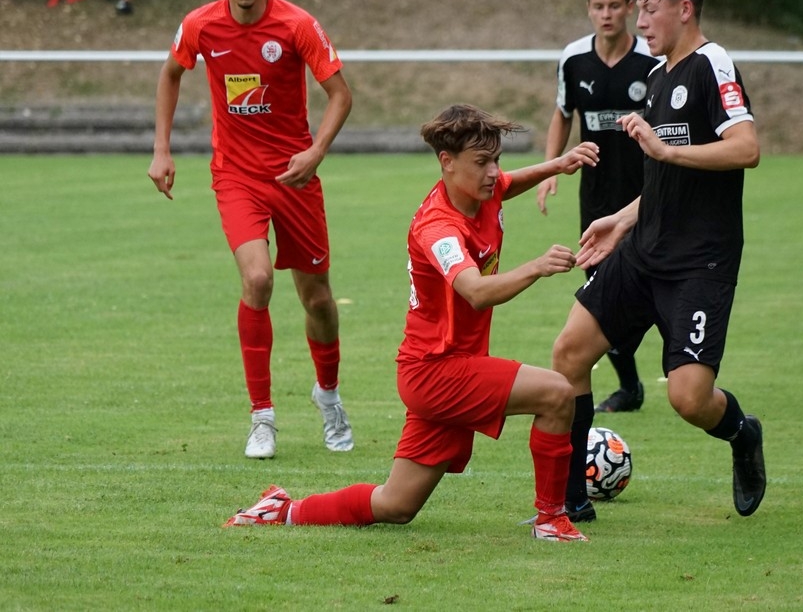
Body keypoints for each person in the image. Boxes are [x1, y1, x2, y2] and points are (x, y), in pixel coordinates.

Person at [224, 104, 599, 542]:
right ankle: (551, 519)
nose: (494, 172)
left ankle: (282, 510)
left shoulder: (483, 189)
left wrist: (557, 164)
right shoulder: (439, 227)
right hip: (438, 370)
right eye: (482, 162)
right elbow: (475, 291)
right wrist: (536, 266)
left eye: (496, 160)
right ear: (447, 161)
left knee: (396, 505)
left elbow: (508, 183)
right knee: (557, 393)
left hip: (437, 368)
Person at [550, 0, 767, 519]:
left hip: (700, 261)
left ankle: (742, 433)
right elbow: (665, 180)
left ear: (685, 9)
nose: (640, 22)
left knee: (688, 398)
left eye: (650, 11)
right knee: (569, 352)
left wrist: (667, 151)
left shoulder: (712, 63)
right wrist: (623, 219)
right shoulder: (655, 75)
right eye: (639, 11)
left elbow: (746, 148)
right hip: (643, 251)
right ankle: (571, 503)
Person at [148, 0, 354, 460]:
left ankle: (329, 394)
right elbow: (170, 73)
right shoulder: (200, 25)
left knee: (318, 299)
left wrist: (316, 151)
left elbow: (340, 94)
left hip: (295, 177)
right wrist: (162, 149)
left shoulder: (297, 25)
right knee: (257, 279)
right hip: (236, 177)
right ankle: (262, 418)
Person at [536, 0, 661, 419]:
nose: (606, 14)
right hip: (595, 198)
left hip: (646, 195)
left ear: (629, 7)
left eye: (614, 5)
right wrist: (550, 168)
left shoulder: (652, 60)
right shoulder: (573, 59)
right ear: (588, 8)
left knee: (648, 288)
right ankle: (630, 386)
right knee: (600, 290)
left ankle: (678, 373)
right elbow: (562, 113)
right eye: (598, 6)